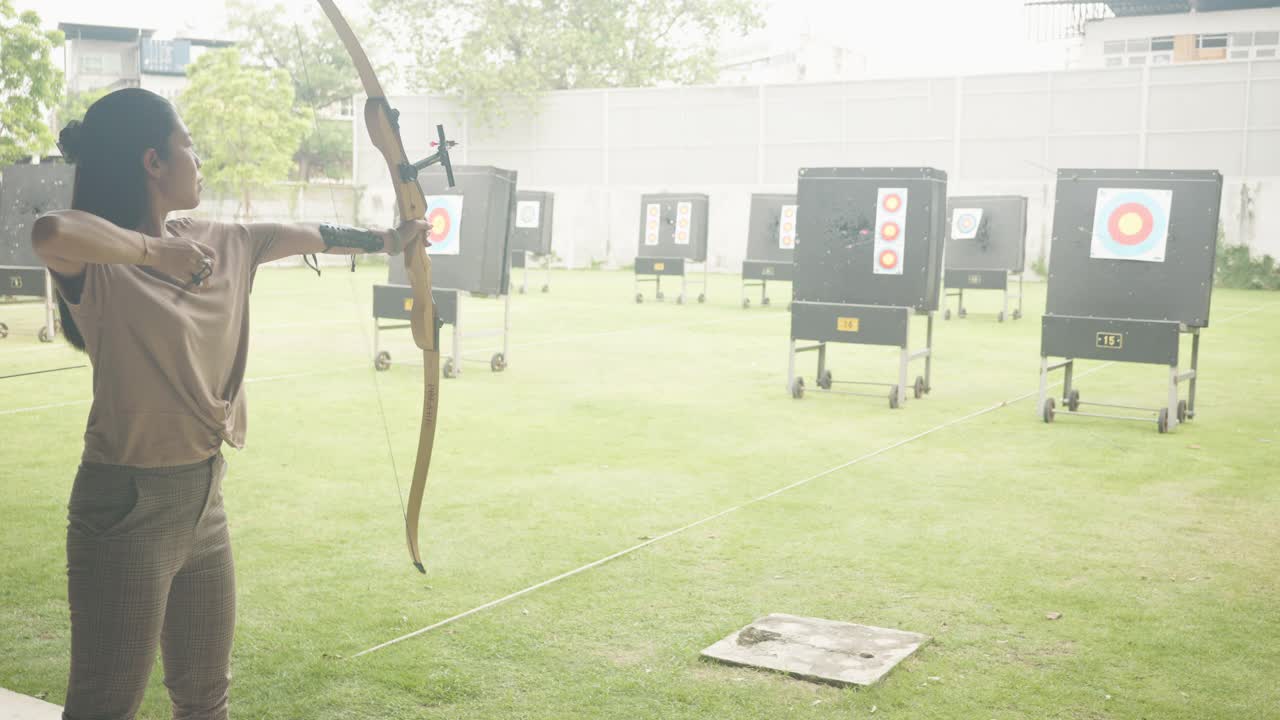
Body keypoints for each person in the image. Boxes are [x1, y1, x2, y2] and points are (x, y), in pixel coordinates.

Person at [31, 87, 427, 720]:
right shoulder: (99, 260)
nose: (199, 157)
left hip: (204, 499)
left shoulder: (223, 238)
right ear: (154, 161)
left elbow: (309, 234)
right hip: (126, 504)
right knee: (106, 705)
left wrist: (391, 237)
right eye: (189, 143)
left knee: (205, 697)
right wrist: (154, 250)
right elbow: (50, 231)